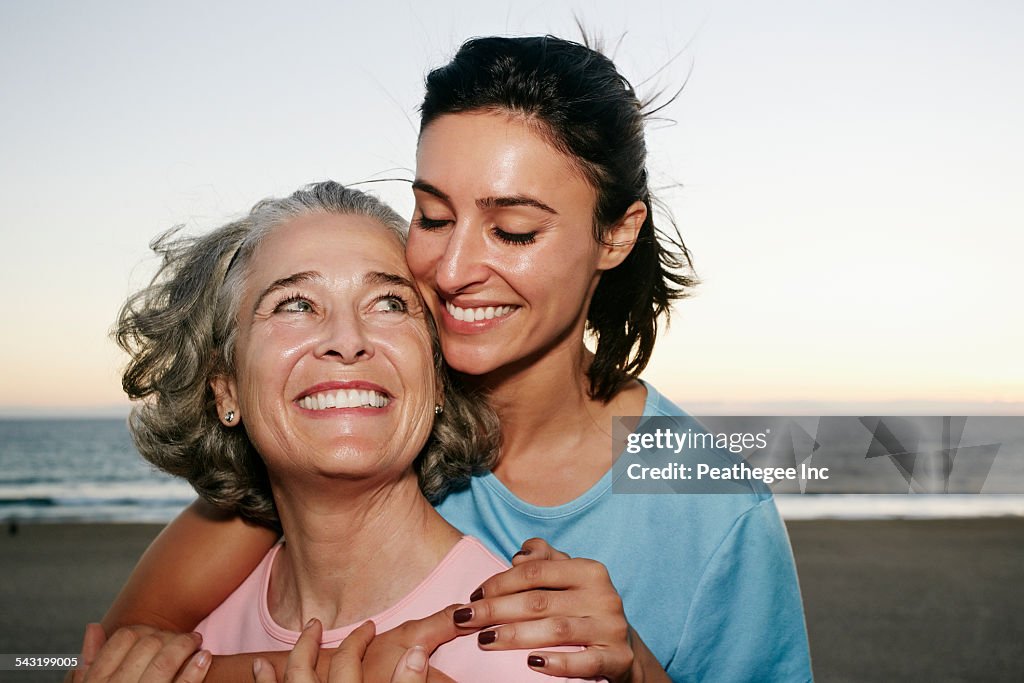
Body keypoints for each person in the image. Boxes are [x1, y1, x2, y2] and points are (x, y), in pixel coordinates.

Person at [100, 36, 812, 682]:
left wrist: (635, 668)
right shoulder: (358, 411)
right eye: (433, 217)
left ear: (616, 235)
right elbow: (130, 647)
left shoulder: (713, 507)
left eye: (513, 229)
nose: (452, 267)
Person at [88, 181, 583, 682]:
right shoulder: (177, 641)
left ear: (436, 376)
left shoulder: (529, 648)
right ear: (226, 389)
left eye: (388, 303)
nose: (347, 341)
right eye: (295, 305)